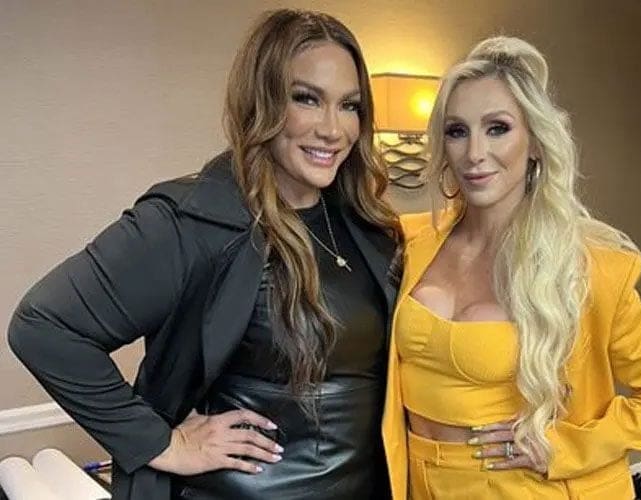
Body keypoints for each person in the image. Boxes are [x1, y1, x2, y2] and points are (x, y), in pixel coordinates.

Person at [8, 9, 398, 500]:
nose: (333, 129)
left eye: (349, 105)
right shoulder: (192, 220)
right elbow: (43, 326)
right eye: (307, 98)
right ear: (261, 102)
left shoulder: (366, 226)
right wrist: (163, 443)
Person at [382, 36, 641, 499]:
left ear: (534, 142)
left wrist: (563, 449)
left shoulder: (587, 267)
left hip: (530, 488)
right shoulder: (407, 242)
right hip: (420, 484)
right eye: (457, 131)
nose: (474, 153)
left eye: (497, 128)